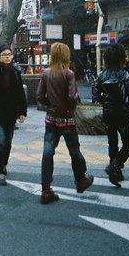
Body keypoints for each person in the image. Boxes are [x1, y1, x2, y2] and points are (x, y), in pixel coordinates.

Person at [36, 42, 94, 203]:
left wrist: (52, 106)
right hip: (67, 120)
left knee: (47, 154)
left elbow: (39, 96)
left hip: (51, 119)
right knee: (74, 151)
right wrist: (68, 108)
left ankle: (46, 190)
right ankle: (81, 180)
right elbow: (73, 97)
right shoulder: (68, 74)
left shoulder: (46, 73)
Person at [0, 44, 27, 187]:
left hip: (10, 113)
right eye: (5, 54)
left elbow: (20, 93)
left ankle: (3, 164)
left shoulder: (15, 72)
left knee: (7, 142)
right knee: (0, 141)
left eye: (9, 54)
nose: (8, 57)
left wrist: (22, 112)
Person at [92, 44, 129, 188]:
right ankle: (115, 166)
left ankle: (114, 172)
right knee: (128, 143)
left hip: (108, 113)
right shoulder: (124, 75)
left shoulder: (101, 75)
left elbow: (96, 94)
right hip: (122, 113)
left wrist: (106, 102)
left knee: (112, 142)